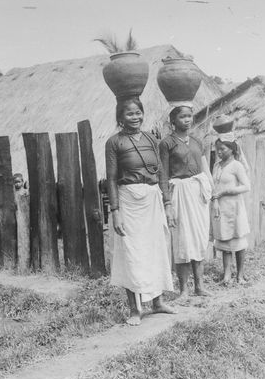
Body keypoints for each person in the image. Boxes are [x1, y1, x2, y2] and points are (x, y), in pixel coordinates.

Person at [105, 96, 177, 326]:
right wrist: (115, 210)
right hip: (129, 200)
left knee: (155, 249)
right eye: (130, 114)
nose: (135, 118)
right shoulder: (114, 143)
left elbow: (162, 173)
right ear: (120, 118)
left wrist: (167, 203)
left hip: (152, 198)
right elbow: (112, 179)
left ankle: (157, 302)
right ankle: (134, 309)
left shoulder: (151, 138)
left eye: (138, 113)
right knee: (132, 252)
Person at [159, 104, 213, 298]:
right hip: (179, 192)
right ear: (173, 121)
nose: (187, 120)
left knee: (198, 239)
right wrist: (167, 202)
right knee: (182, 240)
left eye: (189, 116)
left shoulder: (198, 142)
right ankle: (183, 289)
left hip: (197, 192)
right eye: (183, 117)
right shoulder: (167, 143)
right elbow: (163, 174)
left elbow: (204, 168)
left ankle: (200, 286)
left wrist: (209, 191)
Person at [210, 134, 252, 285]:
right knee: (224, 241)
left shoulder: (236, 166)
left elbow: (246, 186)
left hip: (234, 207)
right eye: (217, 149)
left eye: (222, 149)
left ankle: (240, 275)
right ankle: (227, 275)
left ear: (232, 149)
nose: (219, 152)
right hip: (220, 207)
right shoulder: (216, 165)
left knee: (238, 241)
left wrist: (226, 192)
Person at [12, 173, 30, 273]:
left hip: (24, 217)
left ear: (23, 182)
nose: (17, 184)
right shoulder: (14, 193)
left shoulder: (25, 193)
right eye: (15, 182)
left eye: (19, 182)